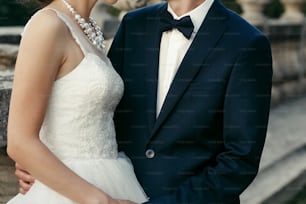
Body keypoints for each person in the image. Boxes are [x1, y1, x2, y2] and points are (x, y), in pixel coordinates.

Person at [16, 0, 273, 203]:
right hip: (112, 189)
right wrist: (37, 160)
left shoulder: (246, 43)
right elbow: (99, 111)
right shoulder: (133, 25)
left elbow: (240, 159)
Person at [6, 0, 148, 203]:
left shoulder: (88, 27)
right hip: (71, 194)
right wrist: (104, 201)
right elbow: (20, 142)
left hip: (112, 178)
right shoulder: (48, 24)